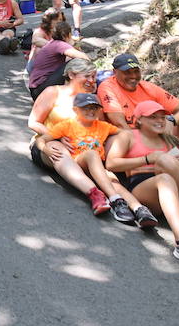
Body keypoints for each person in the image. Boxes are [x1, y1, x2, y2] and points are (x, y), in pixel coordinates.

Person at [98, 52, 179, 216]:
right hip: (130, 136)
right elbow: (120, 124)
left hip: (156, 133)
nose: (133, 76)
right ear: (115, 72)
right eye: (127, 72)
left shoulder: (148, 87)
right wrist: (151, 139)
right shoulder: (108, 87)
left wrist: (171, 120)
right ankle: (160, 180)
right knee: (123, 140)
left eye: (135, 71)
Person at [106, 101, 179, 270]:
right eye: (153, 117)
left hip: (172, 188)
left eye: (162, 117)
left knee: (167, 173)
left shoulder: (169, 141)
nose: (160, 121)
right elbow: (111, 164)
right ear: (140, 119)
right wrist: (147, 159)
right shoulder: (128, 136)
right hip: (144, 187)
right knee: (165, 171)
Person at [28, 87, 147, 225]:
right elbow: (42, 139)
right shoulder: (67, 125)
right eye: (86, 108)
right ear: (75, 110)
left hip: (97, 165)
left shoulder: (103, 126)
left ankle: (139, 209)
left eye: (94, 108)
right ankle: (115, 200)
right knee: (92, 154)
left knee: (112, 181)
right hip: (78, 161)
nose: (91, 111)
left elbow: (124, 133)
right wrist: (45, 149)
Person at [26, 18, 87, 100]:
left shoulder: (52, 43)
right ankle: (73, 94)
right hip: (40, 90)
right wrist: (72, 43)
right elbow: (84, 58)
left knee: (72, 63)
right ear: (68, 35)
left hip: (37, 88)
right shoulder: (59, 44)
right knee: (76, 63)